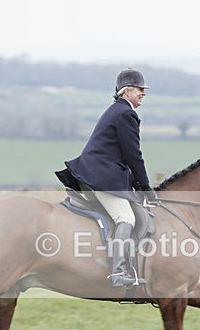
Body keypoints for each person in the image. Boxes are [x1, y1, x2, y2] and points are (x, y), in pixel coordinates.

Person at [56, 68, 158, 287]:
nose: (144, 93)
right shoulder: (125, 113)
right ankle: (118, 272)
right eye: (140, 89)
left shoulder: (118, 110)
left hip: (101, 173)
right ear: (127, 90)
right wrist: (145, 186)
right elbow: (133, 155)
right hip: (101, 177)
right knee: (126, 218)